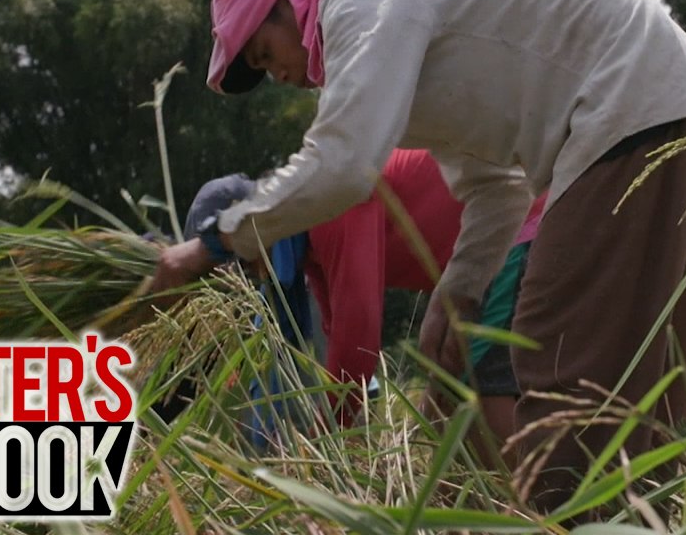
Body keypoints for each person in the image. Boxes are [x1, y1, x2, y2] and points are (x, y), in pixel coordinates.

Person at [151, 0, 686, 511]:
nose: (277, 74)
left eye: (264, 52)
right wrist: (460, 290)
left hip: (626, 107)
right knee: (635, 386)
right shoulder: (395, 53)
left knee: (556, 355)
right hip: (662, 104)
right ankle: (654, 515)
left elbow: (341, 167)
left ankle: (574, 518)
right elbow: (496, 185)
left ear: (291, 1)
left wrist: (207, 247)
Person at [176, 149, 546, 454]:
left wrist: (320, 451)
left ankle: (539, 515)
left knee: (482, 394)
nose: (249, 277)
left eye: (238, 258)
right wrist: (346, 442)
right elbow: (339, 340)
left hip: (510, 228)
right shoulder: (310, 247)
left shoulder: (329, 204)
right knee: (441, 410)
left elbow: (358, 346)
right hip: (478, 265)